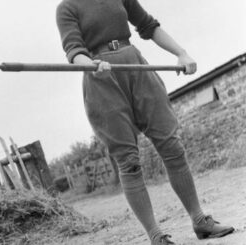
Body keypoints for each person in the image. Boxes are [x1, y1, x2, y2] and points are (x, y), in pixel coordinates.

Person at [55, 0, 235, 244]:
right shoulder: (67, 8)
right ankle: (156, 236)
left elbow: (149, 26)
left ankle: (200, 220)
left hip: (136, 68)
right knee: (128, 161)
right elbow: (74, 52)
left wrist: (181, 53)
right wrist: (93, 65)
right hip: (101, 80)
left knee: (172, 146)